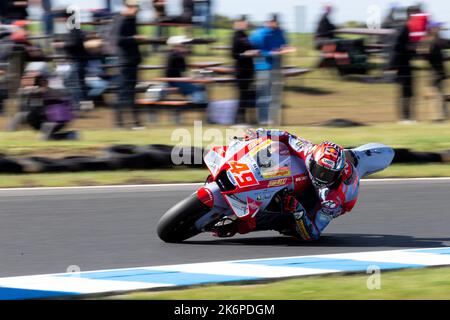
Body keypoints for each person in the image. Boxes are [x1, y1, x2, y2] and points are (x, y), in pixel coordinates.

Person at [214, 129, 395, 241]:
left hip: (324, 201)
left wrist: (298, 212)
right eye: (320, 171)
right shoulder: (309, 151)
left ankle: (238, 226)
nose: (323, 177)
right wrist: (259, 134)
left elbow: (314, 233)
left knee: (287, 221)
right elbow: (286, 136)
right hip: (325, 166)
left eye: (328, 174)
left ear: (338, 174)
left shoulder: (333, 199)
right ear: (314, 161)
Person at [250, 14, 295, 125]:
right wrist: (273, 52)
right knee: (264, 95)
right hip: (263, 67)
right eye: (271, 21)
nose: (273, 24)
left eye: (275, 22)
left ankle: (275, 120)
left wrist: (286, 48)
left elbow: (284, 45)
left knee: (276, 96)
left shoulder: (280, 32)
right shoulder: (260, 34)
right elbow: (258, 51)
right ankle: (263, 120)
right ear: (267, 22)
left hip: (277, 67)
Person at [114, 0, 145, 129]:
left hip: (132, 61)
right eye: (135, 7)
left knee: (130, 94)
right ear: (129, 7)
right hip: (126, 62)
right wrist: (134, 39)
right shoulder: (122, 20)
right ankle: (121, 123)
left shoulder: (131, 20)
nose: (137, 10)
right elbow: (118, 40)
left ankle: (134, 123)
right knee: (124, 93)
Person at [388, 6, 416, 123]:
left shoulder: (401, 27)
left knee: (407, 92)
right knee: (406, 92)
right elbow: (397, 47)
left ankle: (407, 117)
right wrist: (393, 66)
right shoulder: (403, 28)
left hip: (403, 65)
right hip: (402, 66)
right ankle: (406, 117)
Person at [164, 35, 208, 104]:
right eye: (183, 45)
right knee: (198, 88)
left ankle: (197, 100)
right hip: (173, 82)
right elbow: (183, 69)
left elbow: (183, 70)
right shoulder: (177, 56)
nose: (186, 46)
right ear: (177, 46)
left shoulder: (173, 54)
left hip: (176, 80)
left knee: (200, 87)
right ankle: (198, 103)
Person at [419, 21, 448, 121]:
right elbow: (424, 54)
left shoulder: (438, 40)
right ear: (431, 29)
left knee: (438, 95)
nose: (439, 29)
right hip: (432, 73)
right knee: (435, 95)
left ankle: (440, 116)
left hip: (438, 72)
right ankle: (437, 117)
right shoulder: (429, 41)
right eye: (437, 28)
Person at [231, 15, 257, 124]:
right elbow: (233, 55)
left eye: (246, 22)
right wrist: (245, 54)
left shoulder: (246, 35)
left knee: (246, 96)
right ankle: (239, 120)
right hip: (241, 70)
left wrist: (254, 52)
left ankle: (244, 120)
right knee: (242, 95)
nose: (246, 24)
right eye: (243, 22)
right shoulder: (236, 36)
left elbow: (250, 49)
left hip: (249, 70)